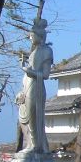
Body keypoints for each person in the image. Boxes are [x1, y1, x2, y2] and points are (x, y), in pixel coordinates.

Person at [19, 16, 53, 154]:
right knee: (24, 116)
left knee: (34, 116)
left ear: (40, 36)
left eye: (32, 36)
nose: (30, 38)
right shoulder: (34, 51)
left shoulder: (47, 51)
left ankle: (36, 145)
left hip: (36, 86)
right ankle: (30, 143)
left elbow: (45, 74)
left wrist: (29, 71)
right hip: (27, 86)